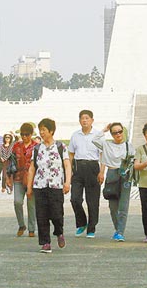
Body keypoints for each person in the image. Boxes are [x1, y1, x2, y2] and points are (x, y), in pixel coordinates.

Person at [26, 118, 72, 254]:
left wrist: (67, 182)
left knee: (57, 214)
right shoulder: (36, 148)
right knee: (41, 215)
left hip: (56, 185)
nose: (41, 132)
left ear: (51, 131)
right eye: (40, 130)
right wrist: (29, 187)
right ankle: (45, 242)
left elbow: (67, 165)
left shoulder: (61, 147)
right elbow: (32, 168)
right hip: (39, 185)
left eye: (44, 130)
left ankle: (59, 232)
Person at [93, 122, 135, 241]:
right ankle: (118, 228)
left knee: (123, 205)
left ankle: (120, 232)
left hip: (125, 175)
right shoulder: (107, 144)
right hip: (111, 174)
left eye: (120, 131)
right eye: (115, 132)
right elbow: (94, 140)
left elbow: (133, 161)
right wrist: (104, 130)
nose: (118, 134)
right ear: (111, 134)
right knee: (112, 206)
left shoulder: (128, 146)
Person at [68, 109, 102, 238]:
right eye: (82, 118)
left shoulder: (98, 135)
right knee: (75, 199)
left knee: (92, 201)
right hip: (78, 167)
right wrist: (69, 170)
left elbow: (103, 154)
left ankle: (91, 228)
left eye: (87, 118)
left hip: (93, 167)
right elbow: (71, 153)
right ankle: (81, 223)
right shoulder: (75, 135)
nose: (84, 120)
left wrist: (102, 172)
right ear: (79, 121)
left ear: (92, 120)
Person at [12, 122, 38, 237]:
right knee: (17, 202)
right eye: (22, 134)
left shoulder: (37, 146)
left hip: (32, 178)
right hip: (18, 177)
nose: (24, 136)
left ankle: (31, 228)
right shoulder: (16, 146)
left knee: (31, 204)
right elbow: (10, 163)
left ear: (31, 134)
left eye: (27, 134)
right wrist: (7, 178)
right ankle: (21, 224)